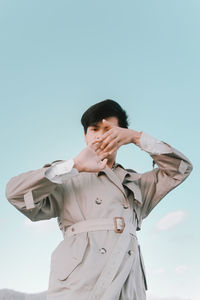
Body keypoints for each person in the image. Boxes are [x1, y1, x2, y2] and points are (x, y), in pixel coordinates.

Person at [5, 99, 193, 300]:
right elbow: (15, 194)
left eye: (109, 129)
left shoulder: (136, 183)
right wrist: (74, 166)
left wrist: (138, 138)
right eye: (94, 129)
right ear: (85, 136)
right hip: (79, 285)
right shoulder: (66, 176)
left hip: (127, 285)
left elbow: (180, 169)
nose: (102, 136)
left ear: (122, 136)